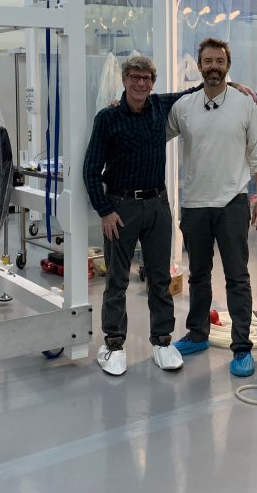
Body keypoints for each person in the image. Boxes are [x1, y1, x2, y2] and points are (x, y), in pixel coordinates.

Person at [82, 55, 192, 376]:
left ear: (152, 82)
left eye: (146, 78)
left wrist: (230, 86)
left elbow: (196, 93)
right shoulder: (107, 118)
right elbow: (91, 171)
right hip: (121, 208)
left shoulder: (159, 106)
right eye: (134, 77)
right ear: (124, 79)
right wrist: (105, 211)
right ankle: (113, 345)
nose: (140, 83)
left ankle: (161, 341)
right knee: (116, 279)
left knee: (159, 277)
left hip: (157, 205)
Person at [167, 38, 257, 377]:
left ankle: (242, 347)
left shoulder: (245, 105)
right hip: (196, 204)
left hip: (232, 203)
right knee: (198, 275)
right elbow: (154, 127)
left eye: (219, 61)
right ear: (199, 66)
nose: (213, 66)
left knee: (237, 278)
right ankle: (197, 334)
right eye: (207, 61)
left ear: (228, 65)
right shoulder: (185, 106)